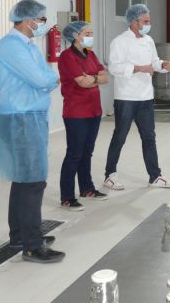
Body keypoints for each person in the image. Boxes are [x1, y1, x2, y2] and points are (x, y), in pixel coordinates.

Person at [0, 0, 65, 263]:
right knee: (33, 180)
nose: (43, 24)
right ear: (25, 20)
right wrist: (49, 81)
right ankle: (33, 245)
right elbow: (42, 78)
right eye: (40, 19)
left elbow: (45, 76)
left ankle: (20, 235)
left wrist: (48, 80)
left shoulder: (28, 45)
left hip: (28, 115)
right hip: (20, 117)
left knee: (24, 178)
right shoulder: (11, 47)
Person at [103, 4, 170, 190]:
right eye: (145, 21)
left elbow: (153, 62)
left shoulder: (148, 40)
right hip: (126, 97)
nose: (148, 24)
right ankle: (109, 175)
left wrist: (162, 65)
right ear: (134, 22)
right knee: (120, 136)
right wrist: (139, 68)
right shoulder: (119, 41)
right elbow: (114, 68)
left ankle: (155, 176)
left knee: (149, 137)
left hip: (145, 97)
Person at [58, 21, 109, 210]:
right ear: (75, 36)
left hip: (94, 110)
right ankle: (67, 196)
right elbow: (81, 82)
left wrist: (93, 78)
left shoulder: (91, 54)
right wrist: (95, 79)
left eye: (91, 33)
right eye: (87, 33)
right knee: (74, 153)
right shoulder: (67, 56)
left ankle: (87, 188)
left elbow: (105, 77)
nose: (90, 36)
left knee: (87, 151)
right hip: (76, 112)